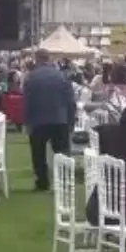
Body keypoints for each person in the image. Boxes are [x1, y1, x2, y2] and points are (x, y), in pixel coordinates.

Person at [23, 49, 76, 191]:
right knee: (62, 151)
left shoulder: (31, 77)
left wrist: (27, 122)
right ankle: (64, 181)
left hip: (38, 120)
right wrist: (71, 121)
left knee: (38, 153)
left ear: (37, 59)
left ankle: (42, 182)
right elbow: (71, 101)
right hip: (60, 119)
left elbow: (27, 102)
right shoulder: (62, 76)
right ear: (49, 58)